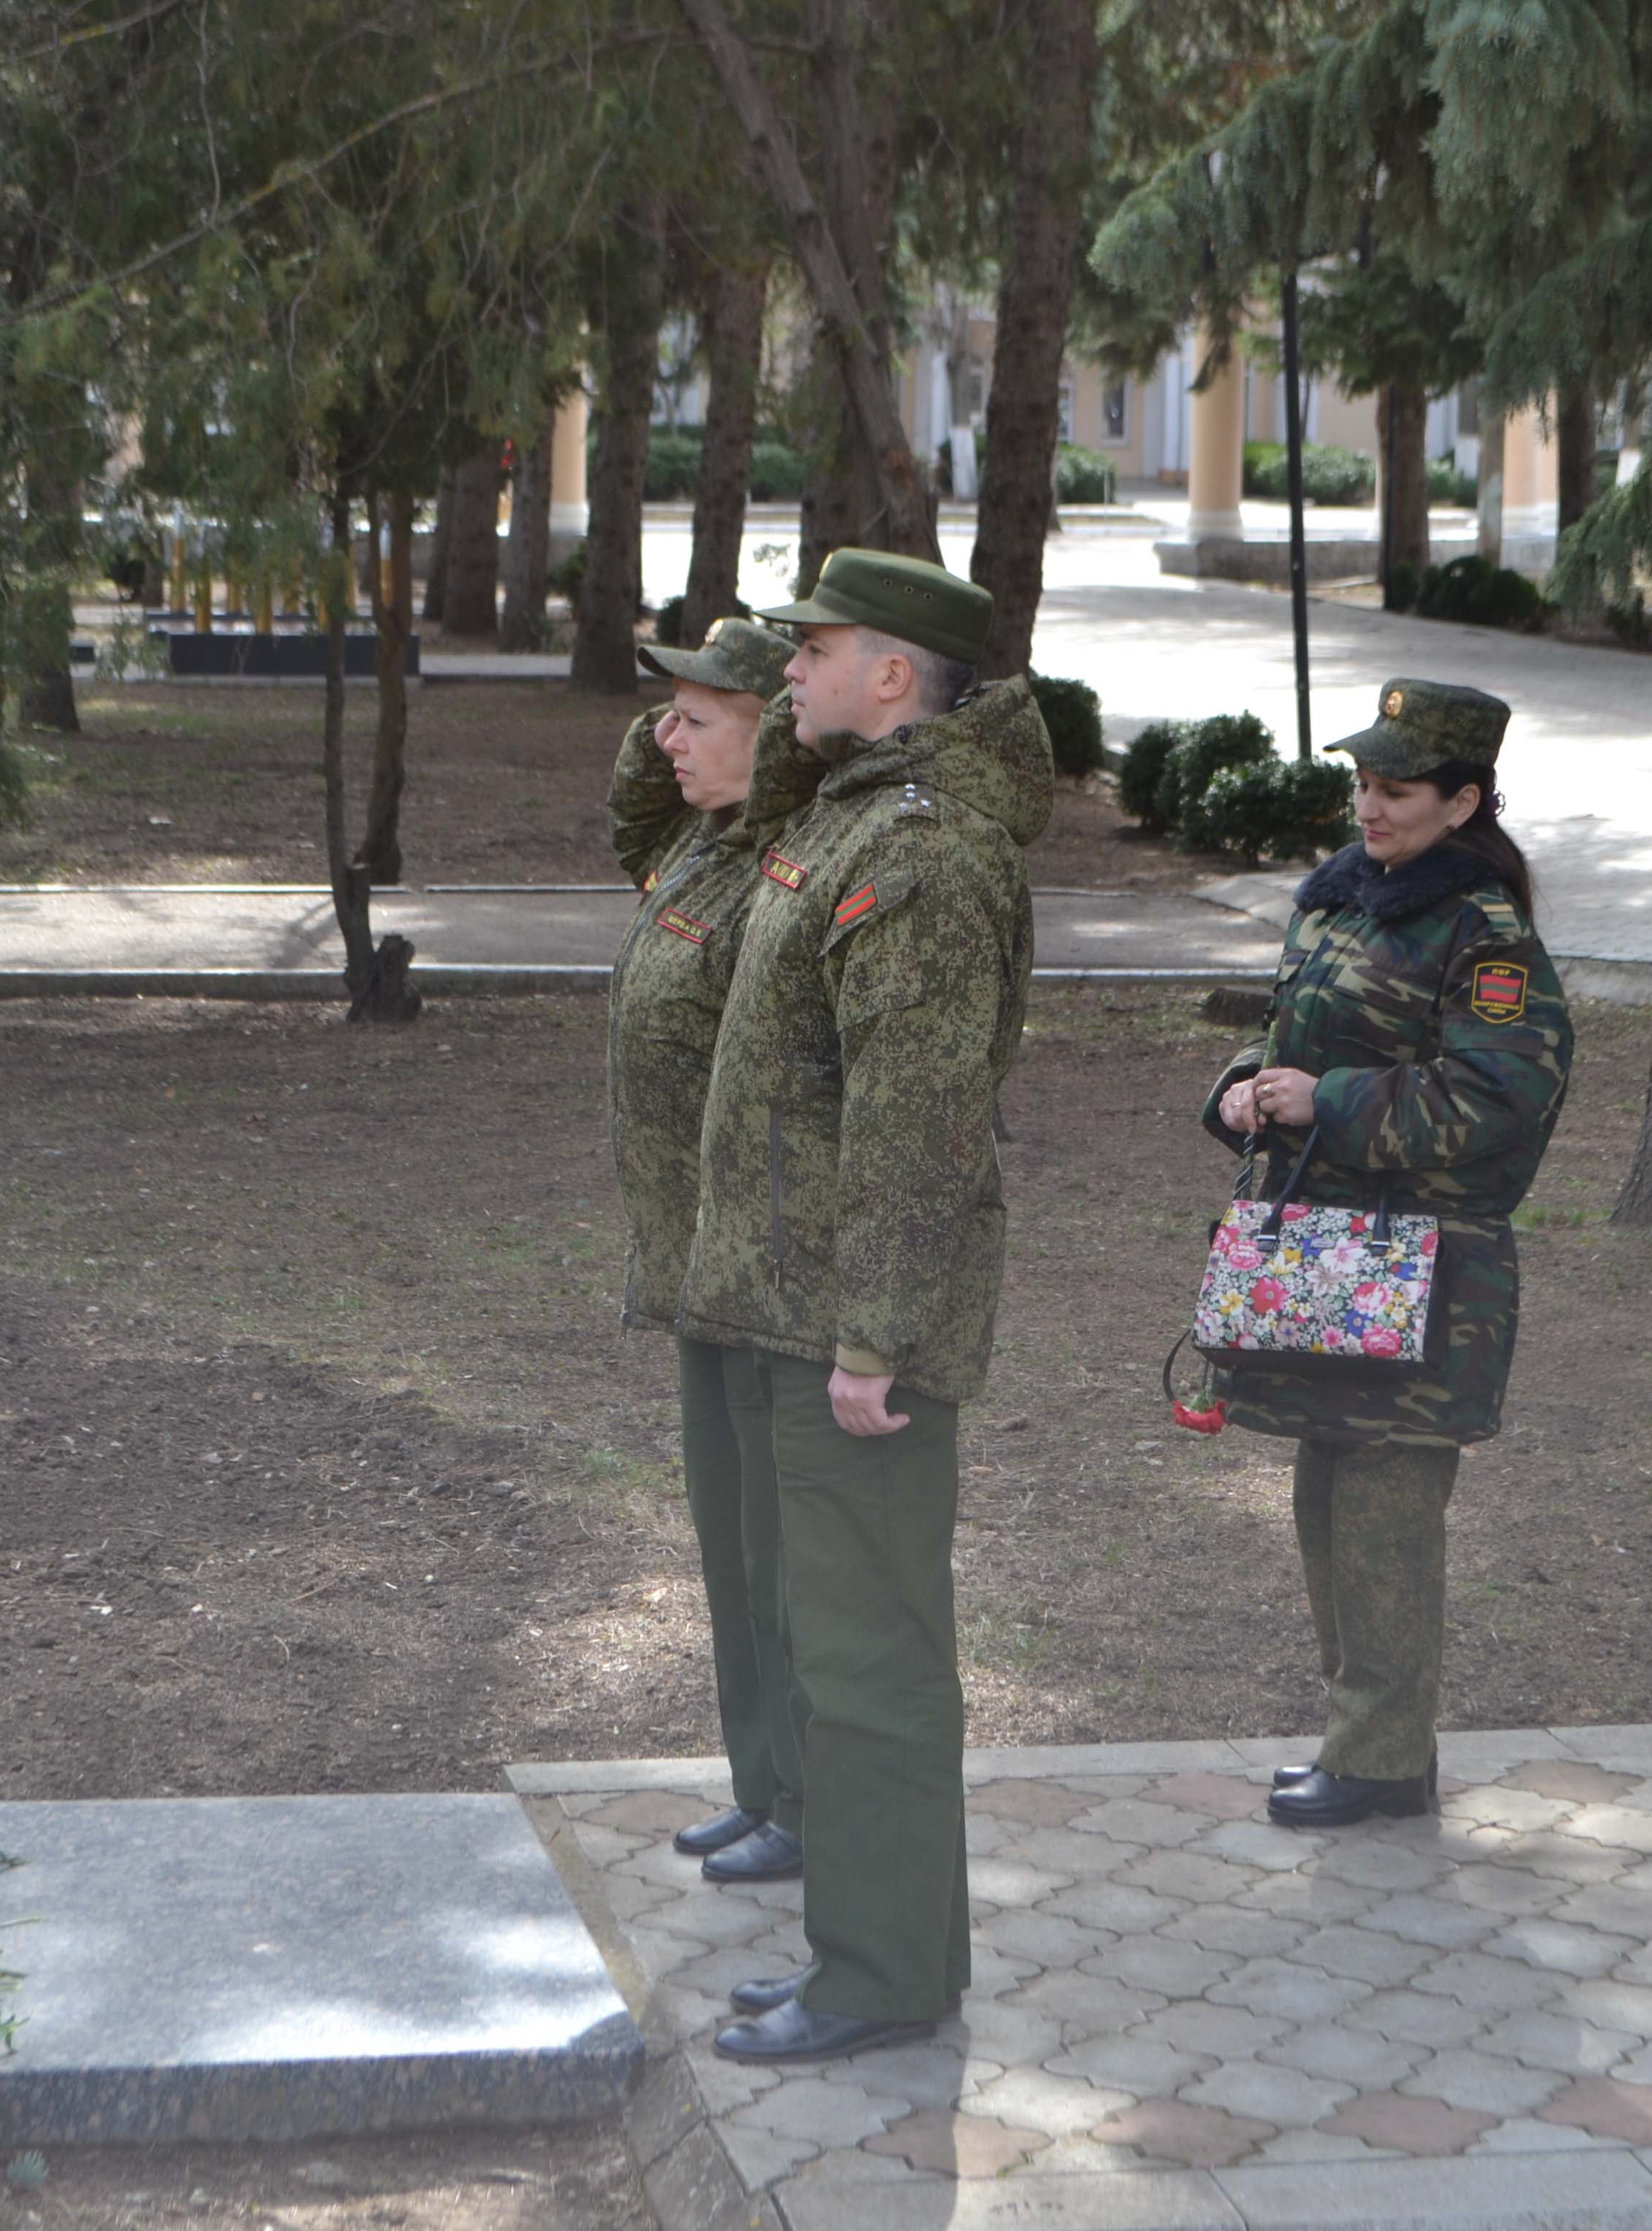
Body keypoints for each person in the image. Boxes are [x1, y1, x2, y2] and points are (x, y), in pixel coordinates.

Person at [680, 549, 1054, 2065]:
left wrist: (877, 1337)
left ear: (891, 675)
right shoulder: (847, 814)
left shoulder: (923, 854)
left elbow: (916, 1121)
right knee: (832, 1651)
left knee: (871, 1662)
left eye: (813, 649)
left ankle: (881, 1977)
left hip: (849, 1325)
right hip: (786, 1302)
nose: (785, 670)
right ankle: (877, 1953)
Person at [1205, 679, 1572, 1830]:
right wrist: (1240, 1091)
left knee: (1382, 1518)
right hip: (1329, 1260)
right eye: (1361, 783)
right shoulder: (1339, 904)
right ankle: (1371, 1746)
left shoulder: (1483, 933)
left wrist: (1328, 1100)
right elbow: (1281, 1036)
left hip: (1426, 1276)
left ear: (1461, 803)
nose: (1367, 806)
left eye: (1396, 791)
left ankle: (1377, 1758)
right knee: (1327, 1502)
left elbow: (1499, 1097)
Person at [606, 617, 815, 1885]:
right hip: (698, 1259)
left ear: (770, 734)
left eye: (694, 720)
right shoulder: (700, 846)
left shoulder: (782, 866)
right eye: (664, 718)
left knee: (778, 1549)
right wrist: (686, 704)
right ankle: (759, 1783)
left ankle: (803, 1795)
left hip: (765, 1263)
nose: (663, 742)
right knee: (729, 1542)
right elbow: (635, 802)